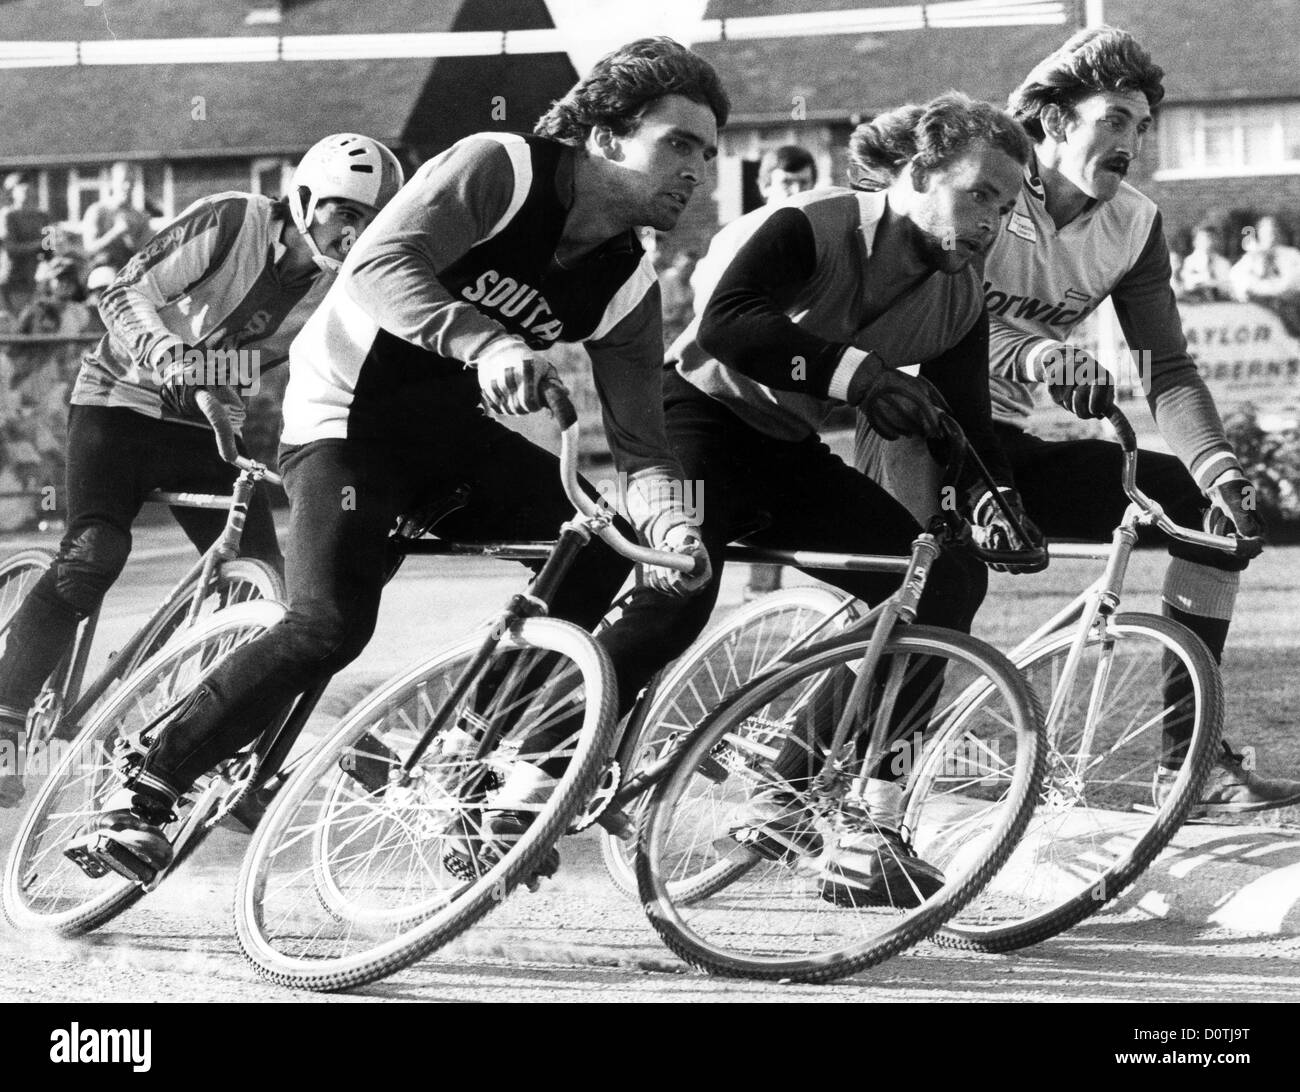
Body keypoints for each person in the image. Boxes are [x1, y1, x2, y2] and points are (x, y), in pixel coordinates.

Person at [71, 38, 727, 881]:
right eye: (677, 143)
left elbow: (645, 447)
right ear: (605, 135)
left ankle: (473, 753)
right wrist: (485, 342)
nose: (697, 172)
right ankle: (145, 786)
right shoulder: (503, 167)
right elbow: (381, 258)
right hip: (345, 419)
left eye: (706, 154)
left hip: (451, 438)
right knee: (328, 626)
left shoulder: (629, 284)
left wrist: (672, 520)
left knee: (600, 554)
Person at [646, 92, 1036, 905]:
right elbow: (726, 325)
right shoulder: (815, 222)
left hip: (788, 449)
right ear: (921, 172)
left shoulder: (959, 295)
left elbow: (966, 422)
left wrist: (994, 496)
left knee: (945, 581)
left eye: (1005, 205)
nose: (990, 221)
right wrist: (861, 375)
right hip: (689, 421)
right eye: (978, 194)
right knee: (675, 590)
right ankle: (530, 772)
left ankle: (873, 824)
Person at [933, 26, 1300, 812]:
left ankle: (1185, 767)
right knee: (937, 588)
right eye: (1114, 119)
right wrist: (1031, 357)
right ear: (1058, 121)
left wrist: (1220, 466)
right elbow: (933, 315)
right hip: (919, 424)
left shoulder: (1133, 223)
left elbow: (1166, 368)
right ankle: (811, 768)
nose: (1132, 140)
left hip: (1008, 444)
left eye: (1141, 124)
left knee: (1206, 519)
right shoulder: (992, 184)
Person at [0, 133, 403, 808]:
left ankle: (231, 751)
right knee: (93, 555)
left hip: (205, 430)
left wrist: (213, 381)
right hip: (117, 406)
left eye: (371, 222)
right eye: (345, 213)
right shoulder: (232, 218)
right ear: (306, 199)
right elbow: (125, 293)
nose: (354, 233)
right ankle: (5, 725)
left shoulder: (339, 293)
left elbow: (268, 368)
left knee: (270, 598)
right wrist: (172, 362)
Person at [80, 162, 154, 274]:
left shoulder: (141, 217)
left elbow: (148, 254)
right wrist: (115, 232)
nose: (128, 186)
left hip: (130, 276)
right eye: (124, 181)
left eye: (131, 182)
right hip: (102, 275)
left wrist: (130, 238)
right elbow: (89, 248)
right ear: (112, 183)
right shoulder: (97, 211)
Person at [1230, 215, 1300, 332]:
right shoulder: (1250, 259)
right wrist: (1269, 290)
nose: (1271, 235)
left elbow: (1293, 282)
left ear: (1279, 233)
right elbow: (1241, 283)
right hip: (1259, 314)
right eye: (1266, 232)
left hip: (1290, 308)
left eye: (1273, 231)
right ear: (1259, 234)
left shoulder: (1292, 255)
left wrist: (1271, 289)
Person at [0, 173, 52, 317]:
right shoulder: (7, 215)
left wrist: (52, 242)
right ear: (13, 192)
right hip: (12, 281)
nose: (27, 192)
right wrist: (38, 244)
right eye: (22, 188)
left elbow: (49, 250)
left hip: (36, 281)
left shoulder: (43, 216)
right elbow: (10, 247)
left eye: (30, 187)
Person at [1180, 223, 1232, 301]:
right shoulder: (1189, 262)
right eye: (1202, 239)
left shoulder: (1223, 263)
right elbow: (1187, 284)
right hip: (1196, 302)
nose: (1207, 242)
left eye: (1210, 238)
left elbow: (1228, 287)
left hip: (1220, 304)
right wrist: (1205, 280)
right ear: (1194, 242)